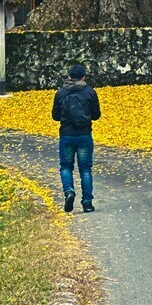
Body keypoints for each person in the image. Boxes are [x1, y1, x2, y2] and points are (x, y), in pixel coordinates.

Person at [52, 64, 101, 213]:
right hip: (84, 135)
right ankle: (87, 203)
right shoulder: (89, 92)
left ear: (69, 76)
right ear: (83, 77)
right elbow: (96, 115)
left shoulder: (61, 93)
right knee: (85, 169)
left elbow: (55, 116)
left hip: (66, 135)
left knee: (66, 167)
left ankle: (69, 191)